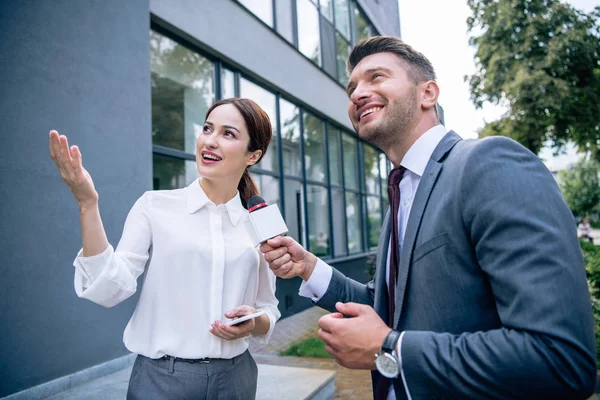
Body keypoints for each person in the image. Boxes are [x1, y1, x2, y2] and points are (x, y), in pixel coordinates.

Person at [260, 36, 596, 399]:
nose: (357, 94)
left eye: (376, 77)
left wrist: (392, 348)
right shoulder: (399, 194)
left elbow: (559, 359)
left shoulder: (488, 163)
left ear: (428, 93)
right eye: (352, 87)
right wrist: (309, 268)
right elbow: (391, 306)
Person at [49, 98, 281, 400]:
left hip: (237, 379)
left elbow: (269, 307)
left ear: (253, 155)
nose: (210, 141)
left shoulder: (263, 222)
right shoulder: (154, 206)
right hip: (162, 382)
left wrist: (254, 322)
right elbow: (109, 288)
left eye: (228, 134)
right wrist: (87, 204)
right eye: (208, 128)